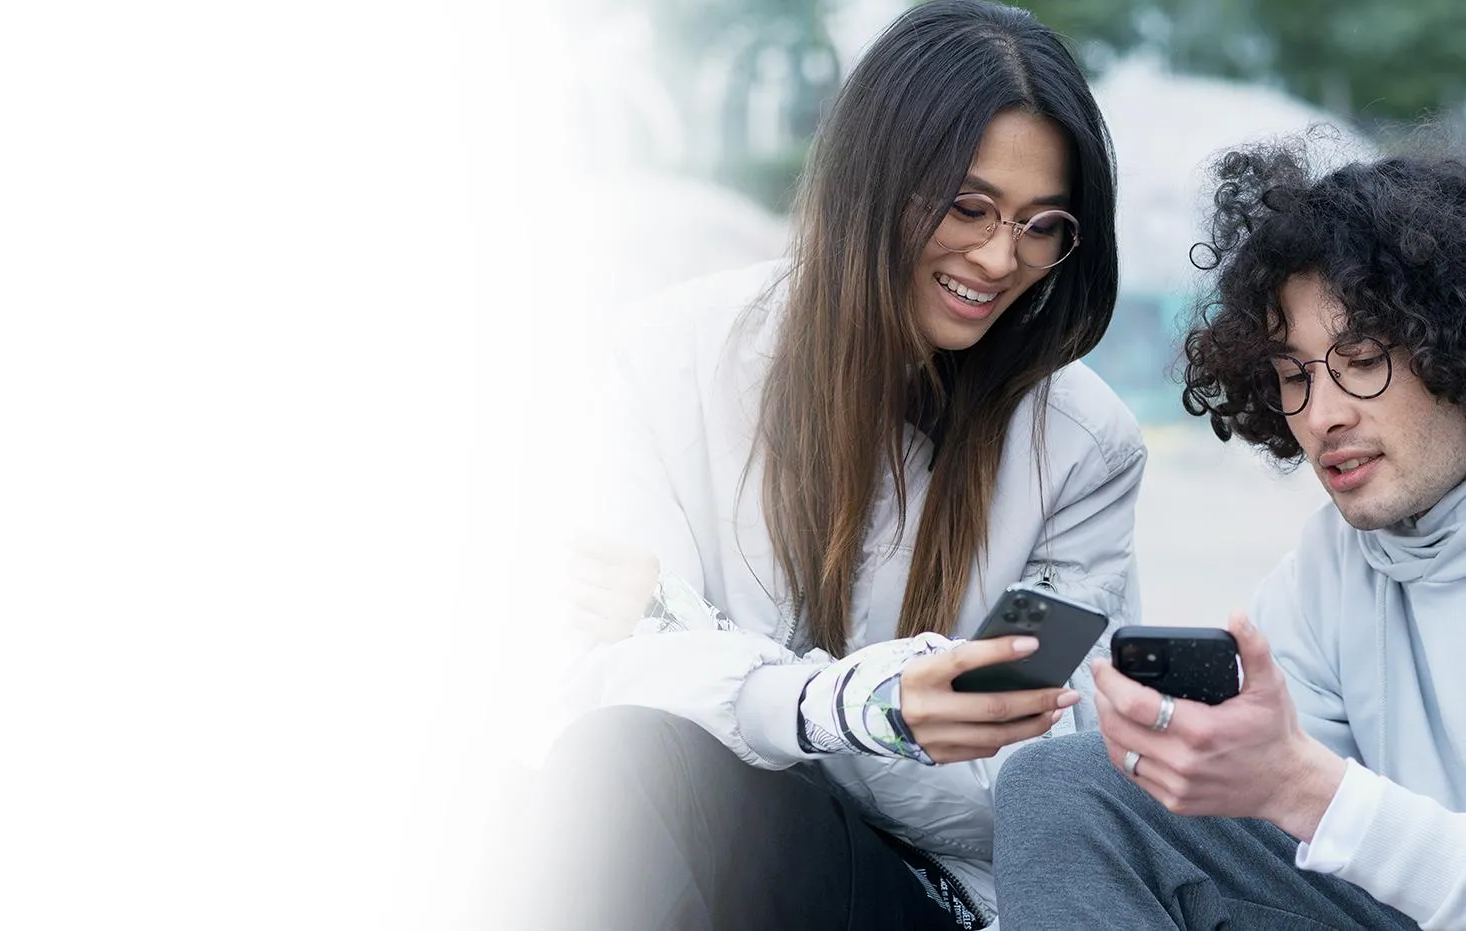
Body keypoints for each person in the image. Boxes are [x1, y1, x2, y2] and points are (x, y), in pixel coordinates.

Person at [509, 2, 1145, 928]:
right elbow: (602, 684)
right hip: (714, 845)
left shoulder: (1086, 448)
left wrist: (704, 641)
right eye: (967, 206)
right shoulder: (665, 359)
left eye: (1042, 224)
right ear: (873, 176)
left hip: (933, 893)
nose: (1000, 257)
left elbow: (1011, 778)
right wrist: (856, 706)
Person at [991, 143, 1466, 930]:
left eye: (1360, 360)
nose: (1322, 416)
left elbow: (1307, 795)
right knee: (1064, 784)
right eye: (1295, 376)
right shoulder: (1326, 570)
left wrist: (1304, 788)